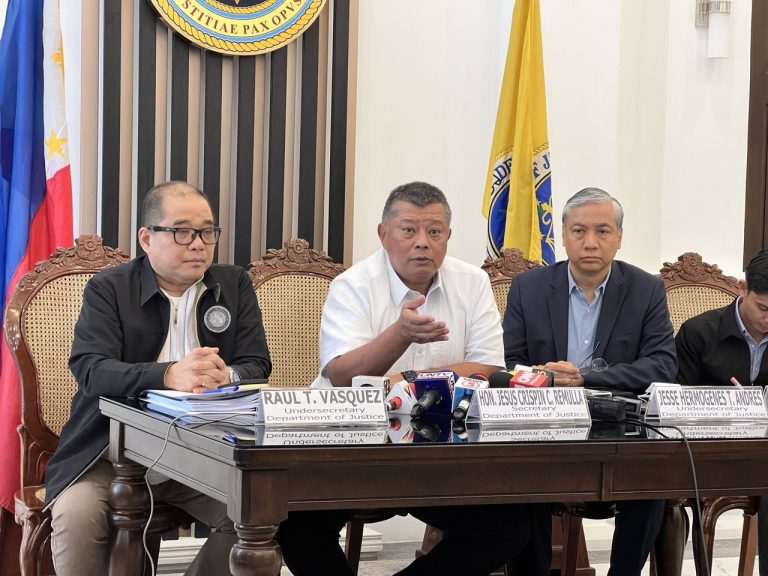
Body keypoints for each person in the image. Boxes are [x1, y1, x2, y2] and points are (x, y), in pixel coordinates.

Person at [274, 181, 550, 576]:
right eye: (408, 230)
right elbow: (342, 377)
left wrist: (405, 379)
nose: (422, 242)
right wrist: (400, 334)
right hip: (351, 450)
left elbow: (488, 370)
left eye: (434, 231)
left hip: (440, 454)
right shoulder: (353, 285)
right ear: (384, 234)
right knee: (296, 527)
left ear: (448, 236)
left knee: (508, 527)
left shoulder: (472, 282)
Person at [44, 181, 272, 576]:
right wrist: (168, 375)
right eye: (182, 231)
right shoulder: (110, 288)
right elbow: (91, 369)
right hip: (109, 453)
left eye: (207, 231)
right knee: (77, 517)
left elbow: (257, 364)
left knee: (255, 513)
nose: (198, 244)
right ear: (147, 238)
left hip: (204, 453)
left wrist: (226, 375)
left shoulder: (233, 285)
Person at [502, 187, 676, 576]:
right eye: (579, 231)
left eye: (603, 231)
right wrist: (544, 378)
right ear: (563, 236)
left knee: (651, 484)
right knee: (520, 482)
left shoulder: (646, 289)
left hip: (619, 432)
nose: (590, 242)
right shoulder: (528, 288)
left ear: (619, 237)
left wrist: (585, 378)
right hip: (543, 428)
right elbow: (508, 364)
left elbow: (663, 365)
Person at [676, 249, 768, 575]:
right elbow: (674, 404)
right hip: (708, 452)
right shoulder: (698, 332)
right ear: (743, 288)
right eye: (764, 308)